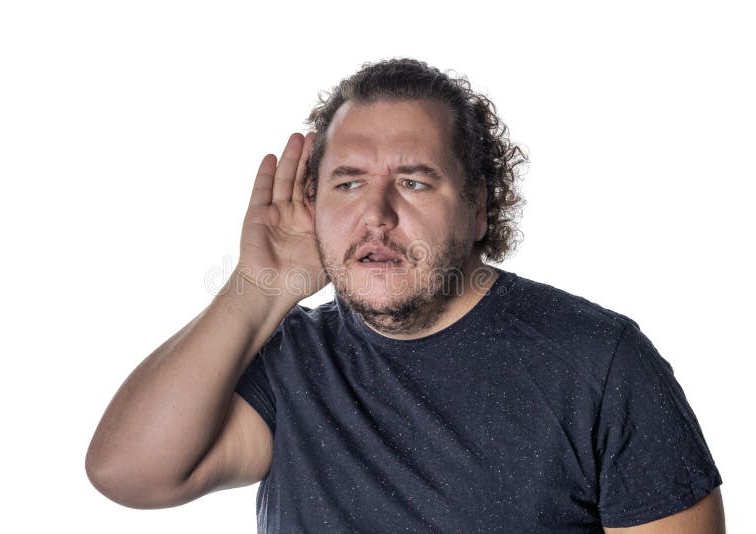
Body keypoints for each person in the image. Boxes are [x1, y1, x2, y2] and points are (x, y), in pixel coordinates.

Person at [85, 58, 725, 532]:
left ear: (479, 209)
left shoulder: (600, 362)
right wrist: (256, 291)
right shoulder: (291, 360)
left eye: (415, 183)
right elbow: (128, 474)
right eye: (347, 184)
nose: (376, 214)